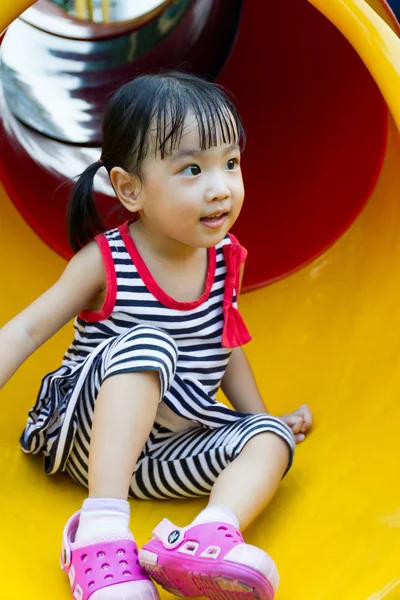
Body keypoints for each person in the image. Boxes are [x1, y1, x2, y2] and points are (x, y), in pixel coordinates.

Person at [0, 71, 312, 600]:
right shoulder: (106, 260)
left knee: (271, 440)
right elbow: (29, 327)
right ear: (130, 189)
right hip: (84, 436)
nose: (220, 187)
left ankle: (209, 535)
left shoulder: (222, 258)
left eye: (230, 163)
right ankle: (98, 533)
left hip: (165, 455)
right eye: (192, 169)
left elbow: (225, 346)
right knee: (150, 344)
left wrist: (260, 416)